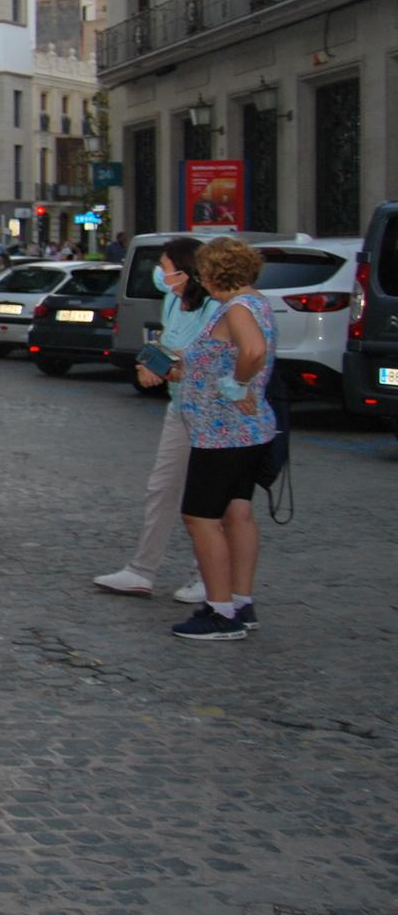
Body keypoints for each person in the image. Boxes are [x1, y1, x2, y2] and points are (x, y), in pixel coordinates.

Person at [169, 238, 278, 642]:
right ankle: (240, 601)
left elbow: (253, 349)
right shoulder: (257, 303)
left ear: (214, 274)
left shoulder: (237, 308)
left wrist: (239, 383)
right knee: (238, 513)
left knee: (200, 517)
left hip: (223, 433)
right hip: (244, 433)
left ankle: (220, 612)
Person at [94, 237, 212, 601]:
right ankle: (141, 570)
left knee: (205, 498)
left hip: (209, 412)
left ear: (186, 271)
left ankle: (207, 576)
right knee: (161, 489)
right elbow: (167, 342)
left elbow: (203, 359)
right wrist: (152, 363)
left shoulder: (214, 308)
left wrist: (165, 368)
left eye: (165, 267)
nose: (160, 274)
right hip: (179, 407)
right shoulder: (174, 298)